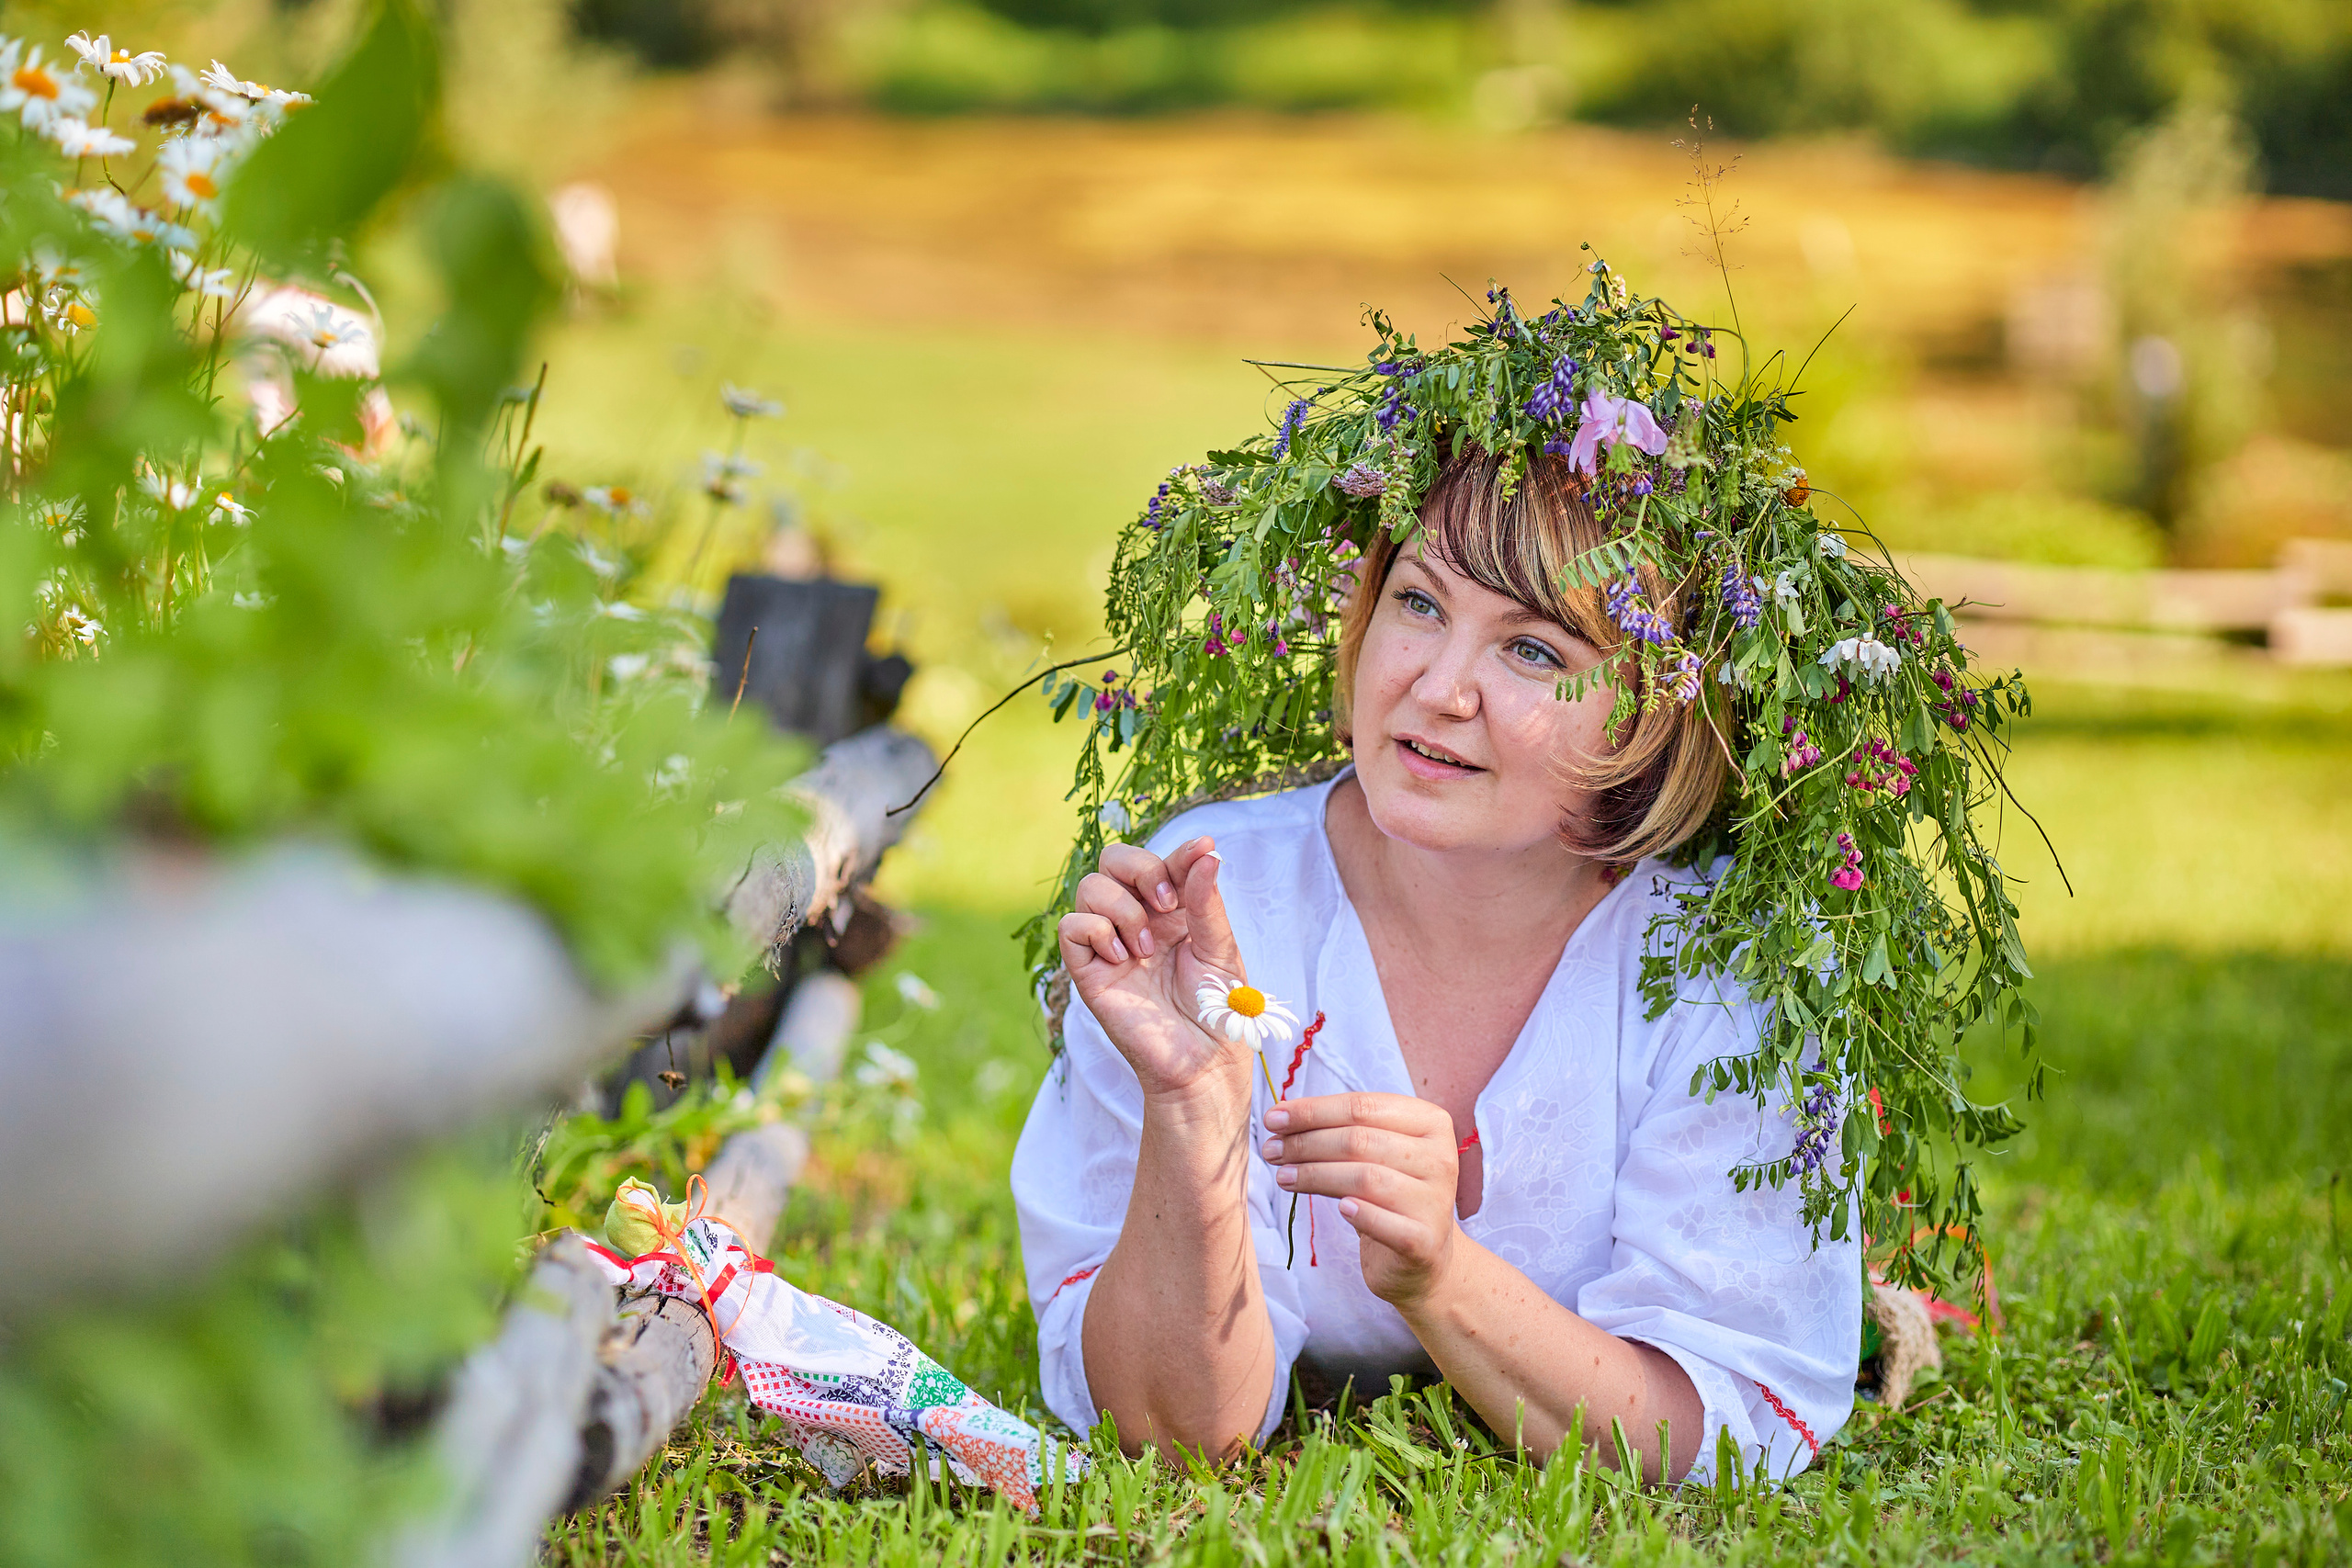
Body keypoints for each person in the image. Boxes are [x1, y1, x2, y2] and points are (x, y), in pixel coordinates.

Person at [1012, 447, 1860, 1484]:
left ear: (1655, 714)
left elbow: (1709, 1433)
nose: (1439, 687)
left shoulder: (1722, 968)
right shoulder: (1219, 907)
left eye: (1536, 653)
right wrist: (1190, 1108)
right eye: (1418, 602)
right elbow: (1176, 1439)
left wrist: (1443, 1277)